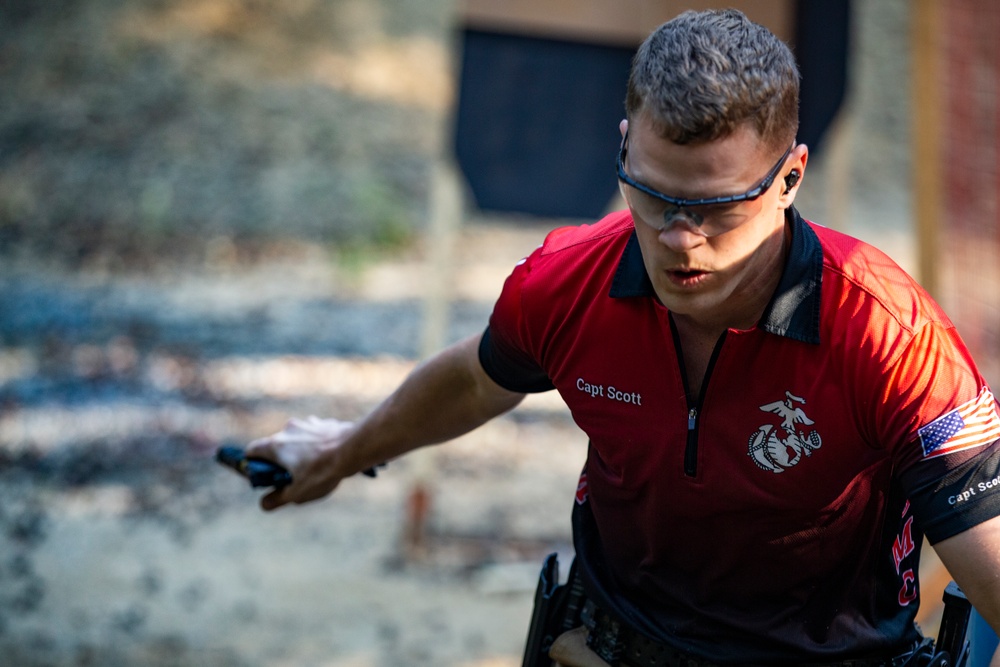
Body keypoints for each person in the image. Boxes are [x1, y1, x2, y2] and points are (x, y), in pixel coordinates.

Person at [245, 9, 1000, 666]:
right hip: (616, 643)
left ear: (790, 178)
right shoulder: (567, 281)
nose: (678, 239)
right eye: (652, 192)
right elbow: (477, 379)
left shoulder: (888, 336)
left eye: (715, 207)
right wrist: (343, 450)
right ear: (625, 143)